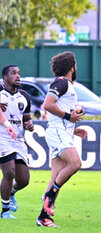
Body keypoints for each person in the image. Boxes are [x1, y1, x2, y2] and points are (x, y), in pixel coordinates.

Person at [36, 51, 87, 227]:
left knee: (56, 175)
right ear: (72, 67)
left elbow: (61, 114)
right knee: (75, 163)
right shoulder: (61, 82)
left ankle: (43, 217)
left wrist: (74, 129)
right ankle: (49, 196)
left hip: (62, 132)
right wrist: (69, 117)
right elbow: (47, 105)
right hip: (58, 132)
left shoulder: (66, 84)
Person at [0, 65, 34, 219]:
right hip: (2, 138)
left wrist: (29, 124)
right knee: (9, 172)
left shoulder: (25, 96)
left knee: (23, 180)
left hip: (18, 140)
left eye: (19, 73)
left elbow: (26, 118)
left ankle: (11, 192)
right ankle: (5, 211)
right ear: (5, 77)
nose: (18, 76)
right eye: (14, 73)